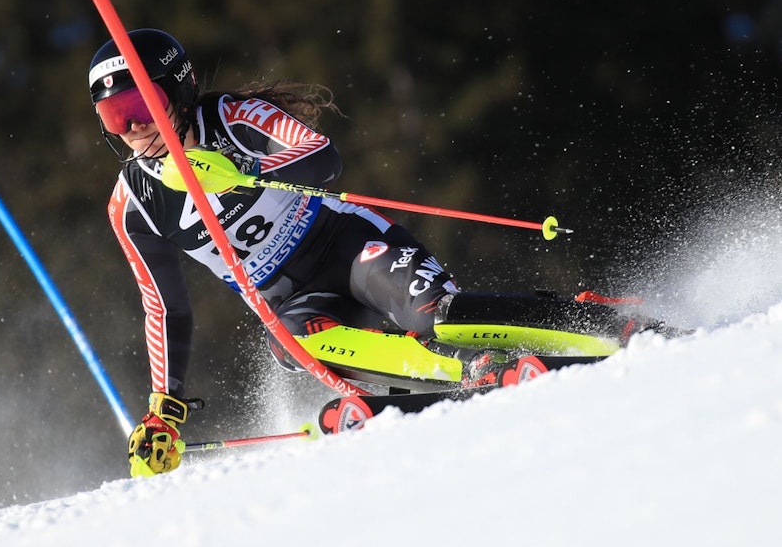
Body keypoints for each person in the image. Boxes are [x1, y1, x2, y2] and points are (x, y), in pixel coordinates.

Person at [89, 28, 656, 478]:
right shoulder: (131, 206)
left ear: (178, 90)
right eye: (115, 118)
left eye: (140, 105)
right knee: (293, 342)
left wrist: (241, 170)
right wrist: (164, 410)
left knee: (440, 318)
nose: (133, 128)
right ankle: (470, 372)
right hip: (291, 302)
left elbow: (321, 156)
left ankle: (592, 319)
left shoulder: (233, 120)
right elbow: (165, 307)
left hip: (347, 246)